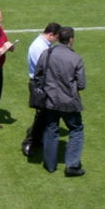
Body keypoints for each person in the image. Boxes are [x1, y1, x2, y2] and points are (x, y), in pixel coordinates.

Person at [36, 27, 86, 177]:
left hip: (50, 101)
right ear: (71, 39)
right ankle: (72, 166)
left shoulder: (47, 53)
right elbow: (81, 84)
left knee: (51, 130)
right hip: (69, 102)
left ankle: (50, 165)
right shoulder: (76, 58)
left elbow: (38, 75)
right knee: (76, 130)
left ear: (58, 38)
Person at [22, 22, 61, 156]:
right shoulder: (40, 47)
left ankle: (36, 138)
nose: (56, 41)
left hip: (41, 83)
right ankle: (29, 142)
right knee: (42, 115)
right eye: (56, 38)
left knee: (43, 114)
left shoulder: (42, 45)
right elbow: (44, 68)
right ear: (51, 34)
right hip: (40, 84)